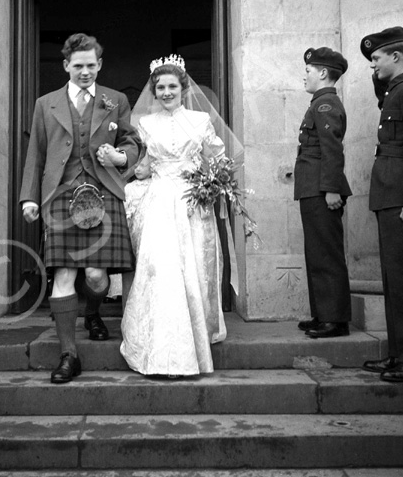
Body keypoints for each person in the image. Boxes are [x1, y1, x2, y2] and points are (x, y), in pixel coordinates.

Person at [20, 33, 140, 384]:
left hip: (104, 191)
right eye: (78, 66)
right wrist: (30, 197)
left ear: (99, 65)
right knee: (65, 275)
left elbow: (132, 140)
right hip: (60, 194)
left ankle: (92, 312)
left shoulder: (115, 100)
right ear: (66, 66)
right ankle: (68, 354)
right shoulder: (46, 103)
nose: (85, 71)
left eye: (91, 65)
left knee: (96, 276)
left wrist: (120, 156)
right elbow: (36, 154)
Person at [119, 55, 242, 377]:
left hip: (192, 204)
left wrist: (211, 184)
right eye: (160, 87)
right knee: (160, 269)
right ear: (154, 90)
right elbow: (142, 166)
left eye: (172, 86)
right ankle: (156, 346)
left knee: (193, 267)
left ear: (184, 87)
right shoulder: (145, 124)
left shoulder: (200, 121)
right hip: (159, 201)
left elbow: (219, 160)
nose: (166, 92)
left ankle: (195, 337)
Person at [360, 26, 403, 383]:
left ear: (396, 57)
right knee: (393, 281)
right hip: (390, 198)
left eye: (376, 59)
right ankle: (399, 353)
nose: (373, 65)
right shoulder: (395, 92)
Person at [294, 47, 352, 339]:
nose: (304, 76)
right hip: (313, 187)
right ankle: (323, 314)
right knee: (316, 253)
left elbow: (332, 151)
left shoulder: (326, 104)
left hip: (321, 189)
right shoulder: (319, 103)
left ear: (323, 73)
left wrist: (331, 189)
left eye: (308, 71)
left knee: (327, 254)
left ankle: (335, 319)